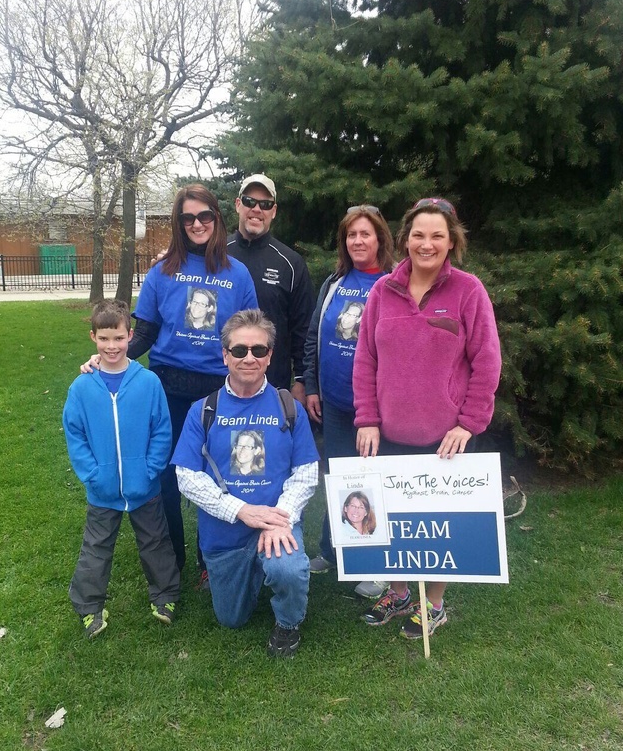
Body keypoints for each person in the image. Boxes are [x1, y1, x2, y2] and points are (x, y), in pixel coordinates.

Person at [82, 185, 257, 574]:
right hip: (167, 390)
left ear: (216, 218)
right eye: (188, 218)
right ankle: (172, 560)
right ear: (179, 223)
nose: (197, 224)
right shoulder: (162, 272)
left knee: (218, 477)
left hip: (218, 392)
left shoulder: (238, 274)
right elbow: (144, 332)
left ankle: (212, 560)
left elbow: (249, 337)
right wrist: (109, 356)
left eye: (204, 216)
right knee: (167, 478)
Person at [353, 197, 502, 639]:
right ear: (405, 240)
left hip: (445, 439)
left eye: (438, 235)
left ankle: (432, 604)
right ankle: (399, 593)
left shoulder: (469, 291)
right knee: (393, 520)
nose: (427, 244)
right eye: (419, 234)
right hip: (388, 435)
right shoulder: (383, 291)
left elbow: (487, 362)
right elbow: (365, 359)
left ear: (452, 241)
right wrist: (367, 418)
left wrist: (468, 423)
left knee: (441, 527)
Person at [172, 309, 319, 658]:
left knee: (287, 568)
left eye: (258, 350)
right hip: (225, 534)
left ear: (269, 356)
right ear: (225, 355)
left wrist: (279, 517)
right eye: (239, 350)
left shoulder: (289, 407)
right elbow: (186, 477)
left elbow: (307, 472)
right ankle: (252, 571)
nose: (249, 358)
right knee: (231, 619)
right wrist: (242, 511)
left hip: (277, 523)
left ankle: (288, 622)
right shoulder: (203, 410)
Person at [63, 300, 181, 639]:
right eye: (104, 339)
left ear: (130, 335)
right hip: (102, 489)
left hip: (145, 486)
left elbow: (161, 430)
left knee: (156, 542)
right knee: (96, 548)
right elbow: (75, 434)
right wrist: (92, 474)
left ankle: (165, 597)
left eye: (118, 338)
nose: (111, 346)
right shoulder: (82, 387)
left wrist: (151, 469)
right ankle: (89, 606)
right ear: (93, 338)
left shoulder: (148, 382)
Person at [303, 205, 395, 597]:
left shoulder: (394, 283)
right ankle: (332, 549)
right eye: (351, 235)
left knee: (375, 482)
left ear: (380, 239)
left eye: (365, 234)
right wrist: (311, 385)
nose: (357, 241)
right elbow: (314, 336)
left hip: (378, 408)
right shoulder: (334, 283)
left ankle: (378, 566)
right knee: (339, 478)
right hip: (336, 403)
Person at [228, 174, 315, 401]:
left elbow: (304, 328)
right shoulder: (216, 254)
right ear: (238, 204)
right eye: (249, 201)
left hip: (273, 384)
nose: (257, 209)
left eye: (265, 204)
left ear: (273, 211)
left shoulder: (291, 263)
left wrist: (302, 380)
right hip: (220, 381)